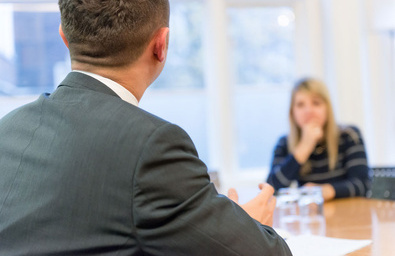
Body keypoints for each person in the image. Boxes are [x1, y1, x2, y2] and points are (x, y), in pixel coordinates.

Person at [0, 1, 291, 255]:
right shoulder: (151, 146)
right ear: (161, 45)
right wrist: (246, 226)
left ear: (64, 36)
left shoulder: (8, 130)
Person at [267, 78, 370, 201]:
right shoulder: (285, 143)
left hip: (348, 214)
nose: (308, 111)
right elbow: (271, 189)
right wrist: (304, 147)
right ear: (292, 112)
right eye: (300, 105)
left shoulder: (349, 135)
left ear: (327, 108)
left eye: (316, 103)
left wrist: (323, 191)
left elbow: (362, 185)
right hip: (309, 216)